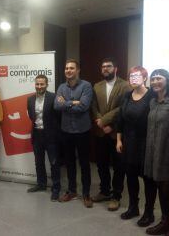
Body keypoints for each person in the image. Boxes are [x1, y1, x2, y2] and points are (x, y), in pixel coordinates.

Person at [116, 66, 156, 227]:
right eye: (131, 76)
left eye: (137, 76)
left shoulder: (152, 95)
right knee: (131, 177)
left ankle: (149, 212)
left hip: (146, 143)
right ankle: (133, 207)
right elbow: (120, 120)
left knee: (148, 180)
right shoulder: (126, 95)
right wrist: (119, 140)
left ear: (145, 78)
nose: (133, 79)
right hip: (128, 143)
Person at [144, 69, 169, 236]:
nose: (154, 82)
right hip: (153, 153)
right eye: (152, 79)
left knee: (168, 191)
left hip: (167, 154)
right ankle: (165, 221)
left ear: (168, 80)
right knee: (160, 188)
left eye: (159, 78)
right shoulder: (152, 101)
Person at [91, 57, 130, 211]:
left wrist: (108, 123)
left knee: (118, 166)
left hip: (116, 133)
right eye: (103, 66)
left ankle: (116, 195)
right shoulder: (97, 86)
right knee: (101, 164)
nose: (105, 69)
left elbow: (123, 108)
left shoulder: (125, 86)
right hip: (100, 132)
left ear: (116, 68)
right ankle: (105, 191)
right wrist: (99, 121)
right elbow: (93, 106)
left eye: (108, 66)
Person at [54, 59, 93, 208]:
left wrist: (66, 102)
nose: (68, 70)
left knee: (84, 163)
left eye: (71, 68)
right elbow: (57, 106)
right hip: (66, 131)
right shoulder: (61, 87)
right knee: (69, 163)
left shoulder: (86, 86)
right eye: (66, 68)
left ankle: (86, 193)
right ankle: (72, 191)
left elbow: (83, 106)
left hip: (82, 131)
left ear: (78, 70)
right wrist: (73, 102)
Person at [26, 75, 61, 201]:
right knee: (38, 162)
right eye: (37, 84)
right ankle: (41, 184)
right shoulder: (29, 99)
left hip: (51, 135)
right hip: (37, 134)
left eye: (42, 84)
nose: (39, 86)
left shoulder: (54, 97)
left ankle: (56, 189)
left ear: (46, 85)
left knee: (54, 163)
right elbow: (31, 116)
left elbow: (58, 117)